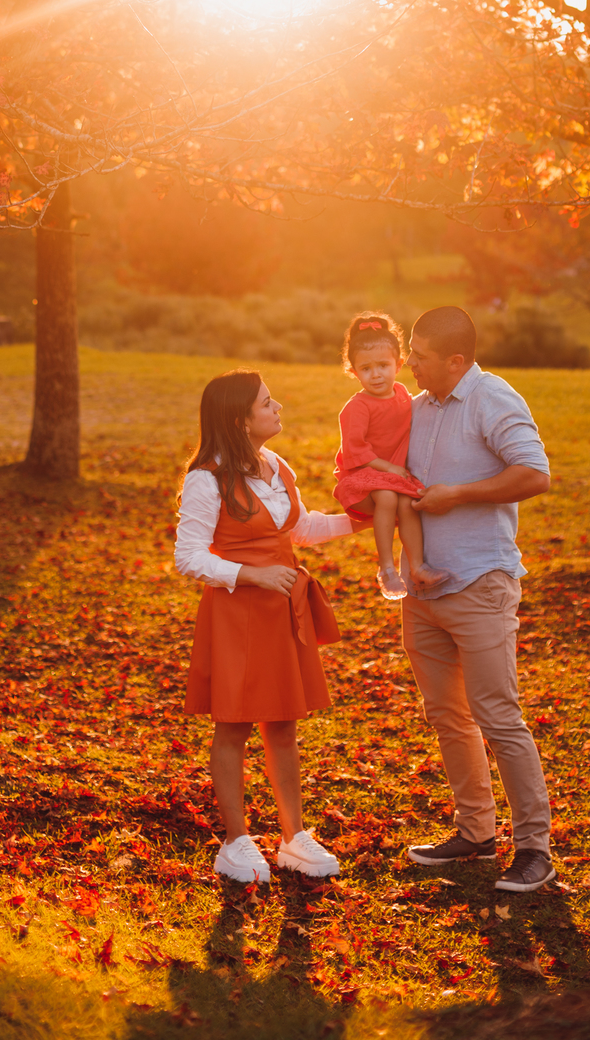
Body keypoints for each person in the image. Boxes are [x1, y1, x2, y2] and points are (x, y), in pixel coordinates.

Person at [175, 369, 355, 885]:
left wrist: (362, 519)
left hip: (281, 612)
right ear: (239, 418)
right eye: (267, 402)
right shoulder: (206, 478)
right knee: (233, 724)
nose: (278, 407)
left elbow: (301, 528)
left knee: (283, 722)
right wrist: (252, 573)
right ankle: (235, 842)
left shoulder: (277, 467)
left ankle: (292, 836)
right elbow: (188, 557)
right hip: (235, 614)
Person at [400, 305, 556, 895]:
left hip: (481, 585)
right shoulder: (415, 409)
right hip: (424, 592)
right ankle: (475, 831)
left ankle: (534, 848)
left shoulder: (492, 399)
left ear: (455, 361)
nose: (410, 361)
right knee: (447, 716)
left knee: (498, 717)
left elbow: (534, 474)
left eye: (419, 354)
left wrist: (459, 495)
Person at [332, 310, 450, 601]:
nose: (376, 374)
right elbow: (355, 450)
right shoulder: (357, 407)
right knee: (386, 496)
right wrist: (388, 468)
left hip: (394, 476)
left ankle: (417, 566)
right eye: (366, 368)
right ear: (354, 371)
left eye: (383, 365)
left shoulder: (401, 395)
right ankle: (386, 568)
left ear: (398, 365)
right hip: (361, 475)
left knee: (409, 503)